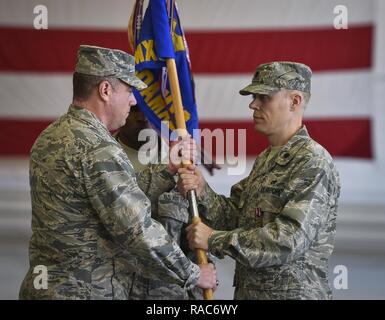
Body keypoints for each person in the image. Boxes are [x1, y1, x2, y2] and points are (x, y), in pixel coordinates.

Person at [19, 45, 216, 300]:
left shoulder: (50, 137)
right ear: (105, 90)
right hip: (87, 292)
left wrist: (167, 169)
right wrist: (192, 273)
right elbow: (137, 229)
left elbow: (102, 195)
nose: (134, 101)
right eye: (129, 91)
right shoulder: (99, 148)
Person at [178, 61, 341, 300]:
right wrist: (203, 190)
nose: (253, 104)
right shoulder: (268, 158)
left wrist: (213, 239)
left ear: (294, 101)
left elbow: (288, 240)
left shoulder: (313, 162)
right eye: (255, 96)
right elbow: (237, 217)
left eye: (264, 97)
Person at [115, 107, 208, 299]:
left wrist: (204, 272)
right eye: (133, 109)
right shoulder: (105, 160)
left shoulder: (182, 163)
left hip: (170, 294)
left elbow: (198, 229)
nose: (142, 117)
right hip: (118, 290)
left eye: (149, 110)